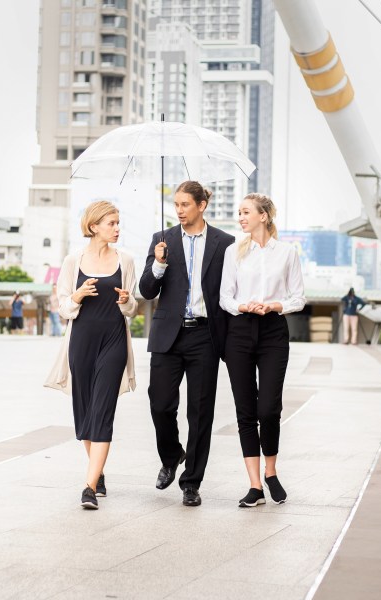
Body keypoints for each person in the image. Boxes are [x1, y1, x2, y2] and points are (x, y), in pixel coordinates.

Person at [139, 181, 234, 507]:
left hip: (205, 337)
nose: (179, 210)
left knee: (201, 412)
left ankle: (191, 481)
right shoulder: (161, 240)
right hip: (168, 334)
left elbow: (231, 291)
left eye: (185, 204)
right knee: (160, 404)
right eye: (176, 204)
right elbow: (147, 290)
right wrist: (159, 264)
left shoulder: (225, 243)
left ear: (201, 205)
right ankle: (171, 454)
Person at [44, 200, 137, 509]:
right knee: (85, 412)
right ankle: (98, 473)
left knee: (103, 410)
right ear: (94, 226)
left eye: (118, 222)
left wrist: (126, 301)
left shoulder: (126, 260)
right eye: (111, 222)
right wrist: (77, 295)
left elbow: (132, 308)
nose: (117, 227)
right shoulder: (73, 261)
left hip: (113, 342)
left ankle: (88, 487)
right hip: (81, 342)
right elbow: (63, 306)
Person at [219, 193, 305, 508]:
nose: (241, 218)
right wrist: (243, 305)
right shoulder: (233, 252)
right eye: (239, 212)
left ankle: (271, 471)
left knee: (269, 409)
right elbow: (224, 296)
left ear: (263, 216)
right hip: (239, 331)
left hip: (272, 331)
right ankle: (255, 485)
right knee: (246, 411)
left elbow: (298, 297)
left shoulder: (287, 252)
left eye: (245, 212)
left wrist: (275, 305)